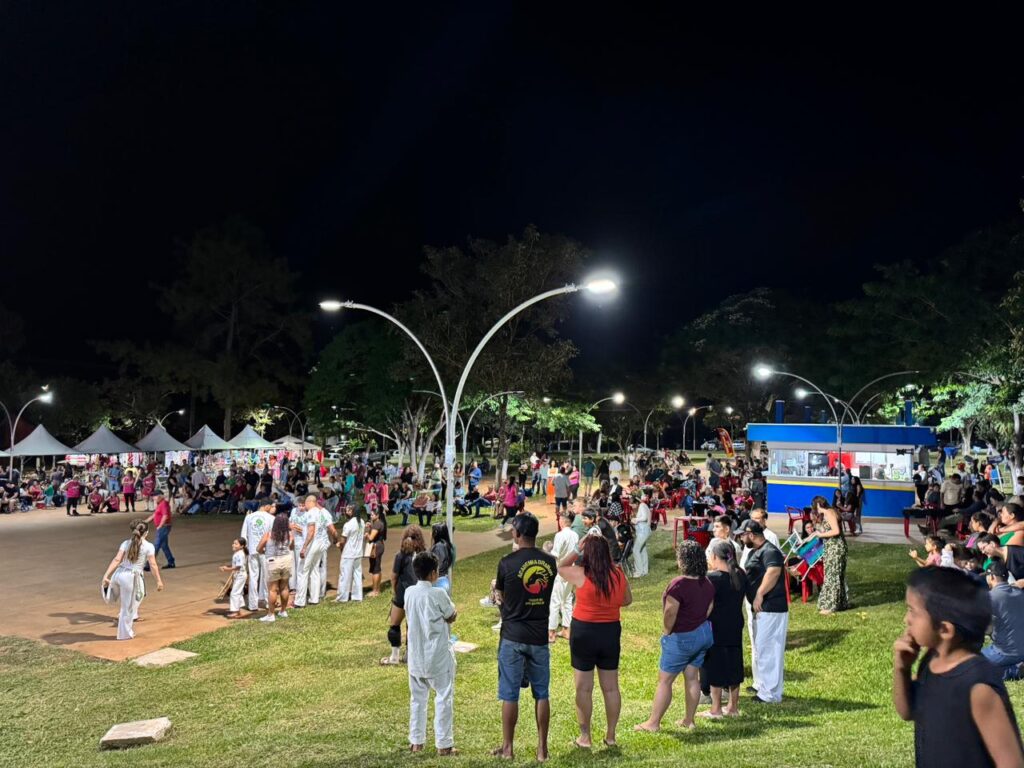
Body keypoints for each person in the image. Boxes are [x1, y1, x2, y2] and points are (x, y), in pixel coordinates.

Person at [893, 566, 1024, 768]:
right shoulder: (931, 660)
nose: (906, 619)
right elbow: (908, 711)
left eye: (913, 612)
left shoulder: (978, 687)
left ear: (945, 630)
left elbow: (1011, 762)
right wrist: (901, 668)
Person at [558, 534, 632, 748]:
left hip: (584, 631)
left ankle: (585, 736)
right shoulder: (617, 574)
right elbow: (627, 600)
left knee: (583, 688)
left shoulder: (581, 574)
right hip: (609, 631)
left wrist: (577, 550)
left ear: (587, 553)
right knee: (611, 687)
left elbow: (560, 566)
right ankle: (610, 736)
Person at [493, 513, 556, 761]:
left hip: (513, 634)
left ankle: (508, 748)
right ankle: (542, 749)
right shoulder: (549, 563)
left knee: (510, 694)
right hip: (539, 635)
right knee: (542, 693)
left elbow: (501, 595)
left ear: (517, 534)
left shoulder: (507, 562)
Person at [635, 540, 714, 732]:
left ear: (683, 560)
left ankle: (653, 723)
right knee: (692, 677)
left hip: (682, 637)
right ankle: (689, 720)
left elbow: (670, 613)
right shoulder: (708, 582)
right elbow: (709, 608)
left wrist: (667, 632)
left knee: (665, 680)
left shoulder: (678, 585)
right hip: (703, 634)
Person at [405, 551, 459, 756]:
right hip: (436, 657)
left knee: (417, 699)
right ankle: (443, 744)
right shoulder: (438, 594)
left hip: (416, 657)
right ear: (434, 573)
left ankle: (416, 741)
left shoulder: (410, 592)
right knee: (443, 697)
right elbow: (451, 615)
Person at [737, 519, 788, 704]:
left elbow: (773, 572)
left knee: (769, 649)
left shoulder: (770, 551)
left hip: (771, 606)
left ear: (751, 534)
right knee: (761, 647)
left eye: (743, 535)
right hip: (761, 609)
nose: (742, 538)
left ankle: (770, 694)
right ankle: (762, 686)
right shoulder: (756, 551)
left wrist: (759, 594)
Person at [699, 539, 749, 718]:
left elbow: (708, 605)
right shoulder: (740, 575)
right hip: (735, 624)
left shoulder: (712, 579)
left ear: (713, 556)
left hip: (716, 627)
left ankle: (716, 709)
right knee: (735, 663)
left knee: (715, 666)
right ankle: (733, 707)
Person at [101, 520, 164, 640]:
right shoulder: (148, 546)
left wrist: (106, 575)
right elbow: (153, 565)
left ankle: (107, 590)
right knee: (128, 607)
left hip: (119, 574)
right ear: (146, 533)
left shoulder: (125, 543)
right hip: (132, 577)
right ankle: (124, 634)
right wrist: (158, 581)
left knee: (124, 601)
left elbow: (116, 560)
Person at [383, 525, 427, 666]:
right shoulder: (424, 554)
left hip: (403, 593)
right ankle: (410, 655)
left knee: (394, 625)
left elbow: (394, 577)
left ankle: (394, 657)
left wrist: (395, 592)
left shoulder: (400, 555)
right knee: (412, 626)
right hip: (419, 594)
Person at [982, 560, 1024, 680]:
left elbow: (984, 628)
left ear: (991, 577)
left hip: (1006, 651)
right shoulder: (1020, 593)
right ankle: (1018, 665)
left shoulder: (989, 597)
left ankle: (1013, 671)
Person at [807, 495, 849, 615]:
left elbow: (836, 531)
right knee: (836, 575)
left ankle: (831, 606)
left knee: (832, 575)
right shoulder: (829, 513)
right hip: (831, 547)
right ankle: (841, 603)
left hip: (836, 548)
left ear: (818, 505)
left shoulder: (829, 513)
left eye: (814, 506)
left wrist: (820, 535)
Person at [548, 510, 580, 643]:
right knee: (567, 600)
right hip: (571, 570)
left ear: (562, 521)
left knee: (555, 601)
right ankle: (567, 629)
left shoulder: (560, 535)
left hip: (560, 570)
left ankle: (551, 632)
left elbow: (555, 554)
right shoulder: (575, 535)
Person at [256, 511, 293, 622]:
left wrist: (264, 551)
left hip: (273, 561)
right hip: (286, 560)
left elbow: (258, 548)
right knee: (284, 587)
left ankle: (271, 614)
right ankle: (283, 611)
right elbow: (292, 546)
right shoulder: (289, 534)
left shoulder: (269, 534)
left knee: (272, 589)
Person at [335, 505, 365, 603]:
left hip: (348, 553)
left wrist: (339, 544)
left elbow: (343, 540)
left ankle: (342, 598)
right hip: (358, 552)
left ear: (352, 511)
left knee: (344, 575)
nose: (346, 512)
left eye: (348, 510)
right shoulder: (362, 522)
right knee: (357, 574)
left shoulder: (348, 524)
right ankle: (357, 596)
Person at [145, 493, 175, 569]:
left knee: (156, 545)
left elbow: (165, 515)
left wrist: (160, 526)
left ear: (160, 496)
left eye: (155, 496)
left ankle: (149, 565)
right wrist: (144, 522)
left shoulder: (164, 504)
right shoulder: (160, 504)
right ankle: (171, 562)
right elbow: (154, 515)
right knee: (164, 546)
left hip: (163, 527)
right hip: (163, 527)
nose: (153, 498)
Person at [220, 537, 247, 618]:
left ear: (242, 546)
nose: (233, 545)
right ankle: (237, 610)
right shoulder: (237, 553)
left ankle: (235, 611)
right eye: (233, 543)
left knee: (234, 593)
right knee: (237, 592)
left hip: (240, 575)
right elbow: (235, 565)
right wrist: (227, 567)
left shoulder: (240, 554)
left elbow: (238, 567)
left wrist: (227, 569)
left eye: (236, 544)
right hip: (238, 575)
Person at [365, 507, 387, 598]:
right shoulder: (380, 523)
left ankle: (375, 591)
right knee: (377, 568)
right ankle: (377, 588)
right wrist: (371, 527)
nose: (371, 516)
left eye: (372, 514)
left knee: (375, 569)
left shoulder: (377, 524)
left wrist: (366, 533)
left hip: (376, 547)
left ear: (377, 515)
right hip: (379, 546)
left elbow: (371, 538)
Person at [430, 523, 455, 594]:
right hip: (443, 580)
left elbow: (437, 564)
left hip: (438, 581)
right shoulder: (445, 544)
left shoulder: (439, 547)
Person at [632, 494, 652, 578]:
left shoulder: (642, 506)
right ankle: (644, 570)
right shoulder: (644, 506)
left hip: (643, 531)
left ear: (636, 503)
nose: (631, 506)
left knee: (636, 550)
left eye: (632, 504)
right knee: (642, 550)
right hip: (644, 531)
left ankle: (639, 571)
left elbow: (644, 518)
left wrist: (635, 519)